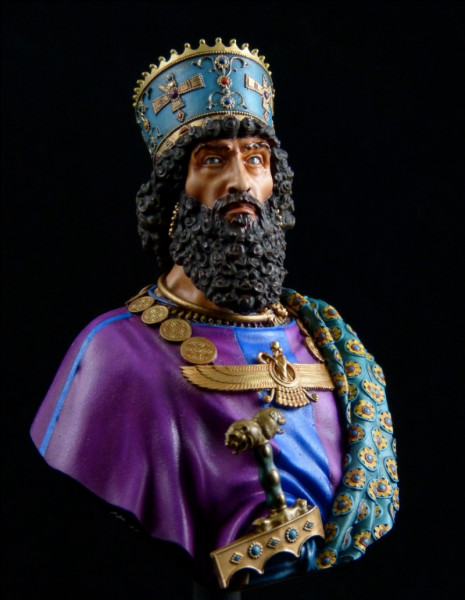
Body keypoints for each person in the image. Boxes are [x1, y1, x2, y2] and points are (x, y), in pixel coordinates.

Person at [30, 39, 398, 590]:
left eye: (256, 159)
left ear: (275, 186)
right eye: (213, 160)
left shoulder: (326, 339)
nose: (241, 182)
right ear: (173, 193)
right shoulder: (112, 352)